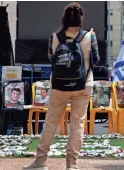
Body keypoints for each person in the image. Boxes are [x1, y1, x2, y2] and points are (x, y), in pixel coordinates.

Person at [23, 2, 100, 170]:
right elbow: (97, 60)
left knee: (51, 122)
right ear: (81, 18)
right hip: (83, 85)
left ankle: (41, 161)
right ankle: (71, 164)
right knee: (77, 124)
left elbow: (52, 58)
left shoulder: (55, 37)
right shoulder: (89, 37)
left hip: (59, 85)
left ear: (64, 18)